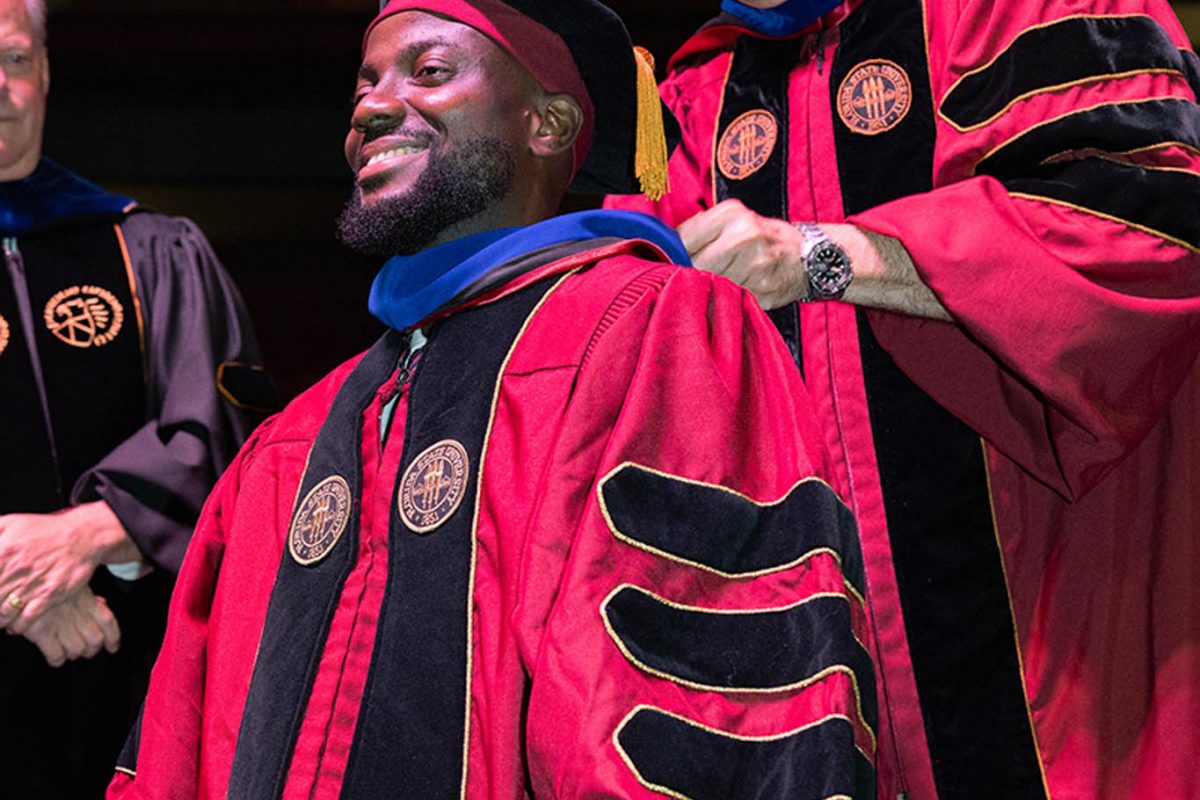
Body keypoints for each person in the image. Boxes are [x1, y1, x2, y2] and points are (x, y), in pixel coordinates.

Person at [107, 1, 879, 797]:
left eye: (429, 72)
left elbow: (696, 699)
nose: (372, 106)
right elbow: (176, 745)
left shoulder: (653, 329)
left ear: (547, 124)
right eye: (365, 84)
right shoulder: (297, 435)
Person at [606, 0, 1200, 797]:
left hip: (1069, 632)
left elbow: (1153, 225)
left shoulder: (1020, 11)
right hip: (826, 683)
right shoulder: (696, 97)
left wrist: (825, 256)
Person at [0, 0, 275, 795]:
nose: (1, 88)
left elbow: (234, 434)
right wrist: (25, 581)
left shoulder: (151, 250)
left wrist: (94, 534)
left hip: (130, 685)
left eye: (16, 60)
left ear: (46, 73)